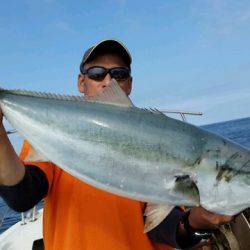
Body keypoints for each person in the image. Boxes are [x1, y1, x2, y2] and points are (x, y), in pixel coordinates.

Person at [0, 39, 233, 250]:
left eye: (119, 74)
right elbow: (22, 196)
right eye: (97, 73)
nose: (108, 81)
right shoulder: (52, 133)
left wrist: (195, 222)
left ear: (129, 84)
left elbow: (164, 230)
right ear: (81, 82)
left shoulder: (160, 139)